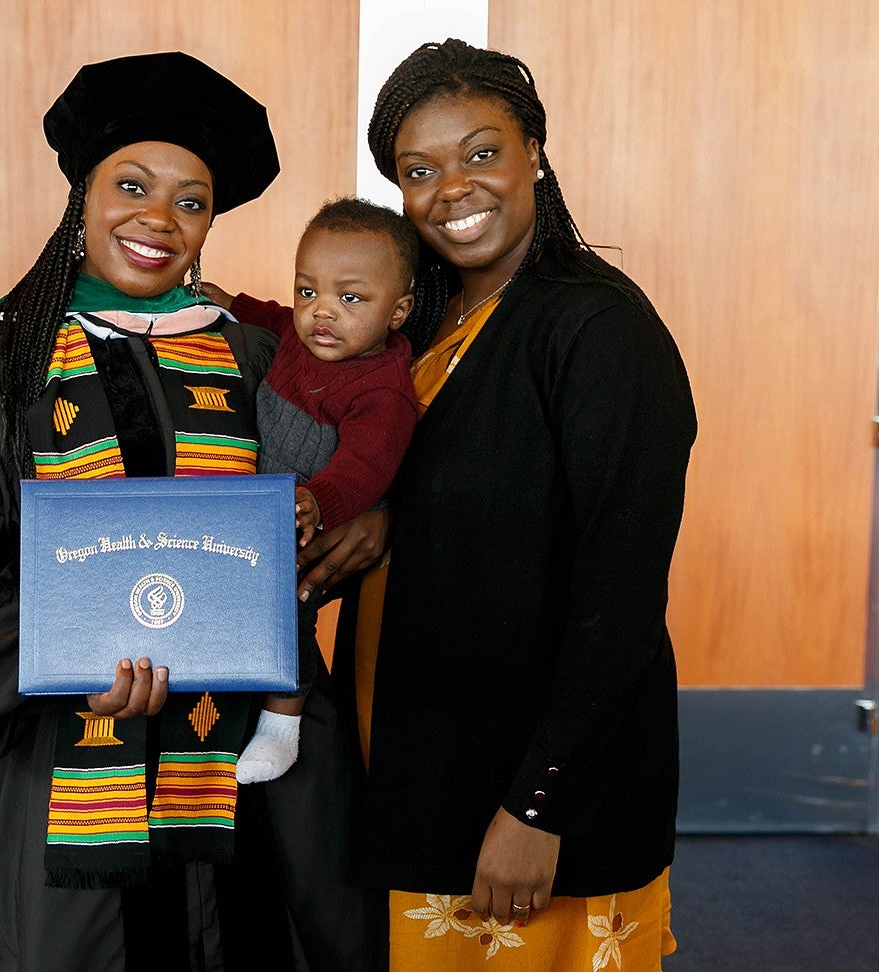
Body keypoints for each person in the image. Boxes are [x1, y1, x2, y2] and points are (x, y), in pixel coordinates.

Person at [0, 52, 311, 970]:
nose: (159, 219)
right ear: (82, 195)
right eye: (132, 186)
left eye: (191, 201)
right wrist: (61, 653)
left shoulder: (253, 359)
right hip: (55, 769)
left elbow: (310, 539)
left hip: (226, 770)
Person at [352, 39, 697, 969]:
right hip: (426, 762)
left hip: (532, 797)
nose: (453, 189)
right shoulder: (423, 322)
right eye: (419, 171)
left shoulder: (598, 327)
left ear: (534, 151)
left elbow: (620, 592)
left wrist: (539, 806)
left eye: (481, 153)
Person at [199, 197, 420, 784]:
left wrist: (319, 502)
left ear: (397, 312)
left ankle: (283, 723)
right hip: (272, 502)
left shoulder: (381, 390)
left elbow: (365, 468)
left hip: (319, 520)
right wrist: (230, 304)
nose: (322, 313)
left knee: (287, 605)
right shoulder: (306, 335)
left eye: (351, 299)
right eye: (308, 291)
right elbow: (272, 317)